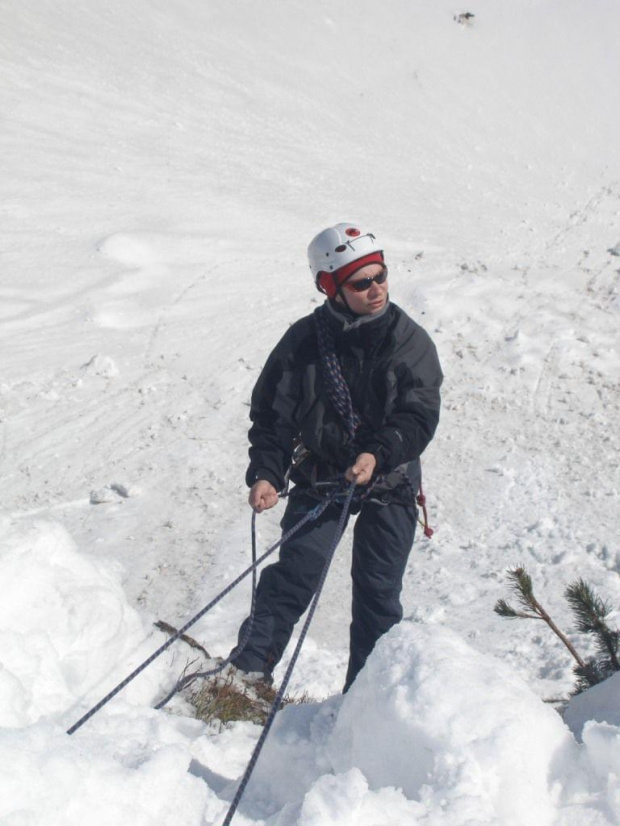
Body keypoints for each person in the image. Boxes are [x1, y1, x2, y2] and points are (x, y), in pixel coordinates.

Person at [230, 222, 443, 692]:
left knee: (378, 596)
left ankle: (365, 701)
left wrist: (378, 453)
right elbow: (273, 416)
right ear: (330, 287)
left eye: (381, 276)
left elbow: (418, 415)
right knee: (295, 576)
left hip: (390, 480)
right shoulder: (303, 343)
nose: (376, 290)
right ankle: (246, 674)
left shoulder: (409, 342)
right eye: (361, 282)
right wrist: (268, 471)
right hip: (323, 476)